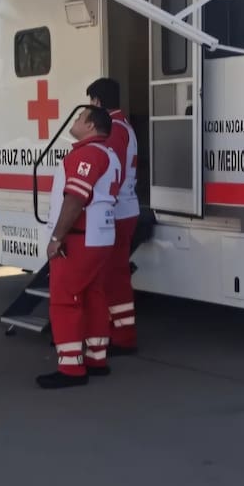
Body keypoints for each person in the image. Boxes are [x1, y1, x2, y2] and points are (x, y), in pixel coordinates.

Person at [40, 106, 121, 389]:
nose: (74, 121)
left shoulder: (87, 154)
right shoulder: (110, 154)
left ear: (90, 125)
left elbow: (75, 199)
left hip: (80, 237)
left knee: (65, 300)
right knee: (94, 296)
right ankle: (96, 358)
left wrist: (56, 238)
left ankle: (71, 368)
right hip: (101, 236)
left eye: (79, 117)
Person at [87, 78, 140, 356]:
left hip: (117, 212)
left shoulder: (115, 130)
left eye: (91, 102)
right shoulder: (122, 125)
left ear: (98, 101)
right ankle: (116, 332)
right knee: (112, 276)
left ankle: (123, 337)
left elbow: (112, 174)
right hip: (124, 210)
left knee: (114, 277)